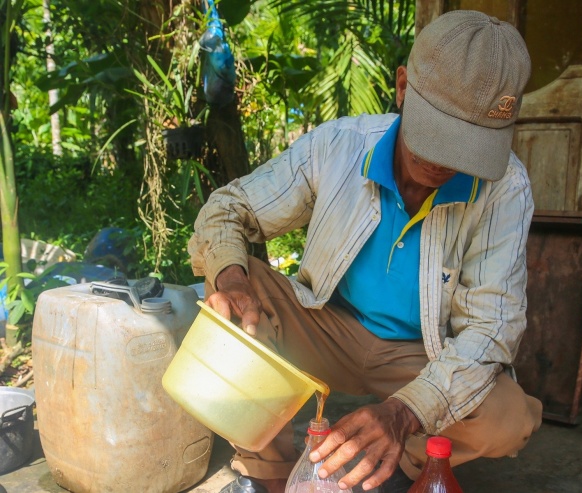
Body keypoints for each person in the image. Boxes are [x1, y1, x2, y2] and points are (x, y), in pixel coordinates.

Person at [188, 10, 542, 493]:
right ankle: (269, 472)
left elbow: (490, 331)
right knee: (232, 289)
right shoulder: (340, 146)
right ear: (402, 88)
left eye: (466, 148)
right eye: (436, 135)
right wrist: (231, 280)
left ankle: (387, 466)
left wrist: (404, 413)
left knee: (507, 418)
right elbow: (228, 209)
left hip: (420, 355)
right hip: (324, 328)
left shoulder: (505, 188)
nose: (442, 162)